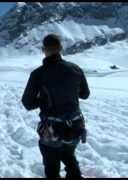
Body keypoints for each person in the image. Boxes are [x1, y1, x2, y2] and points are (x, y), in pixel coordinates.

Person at [21, 34, 90, 179]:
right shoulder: (75, 69)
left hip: (52, 128)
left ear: (43, 50)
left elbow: (27, 103)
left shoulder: (38, 74)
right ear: (60, 48)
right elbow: (85, 94)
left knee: (52, 165)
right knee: (68, 155)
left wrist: (42, 100)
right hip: (76, 124)